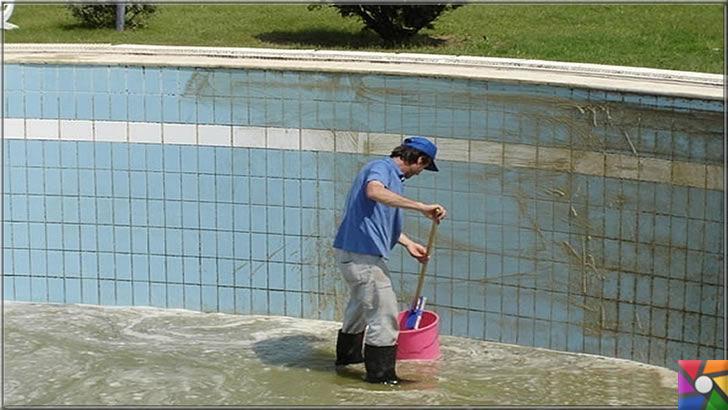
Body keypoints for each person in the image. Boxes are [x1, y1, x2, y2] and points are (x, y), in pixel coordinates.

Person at [332, 136, 447, 384]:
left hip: (354, 252)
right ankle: (382, 378)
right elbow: (373, 192)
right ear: (420, 159)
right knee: (385, 315)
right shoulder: (381, 168)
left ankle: (347, 361)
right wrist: (421, 207)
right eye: (425, 167)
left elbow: (377, 218)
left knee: (361, 308)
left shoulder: (395, 179)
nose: (422, 171)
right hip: (362, 256)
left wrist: (408, 244)